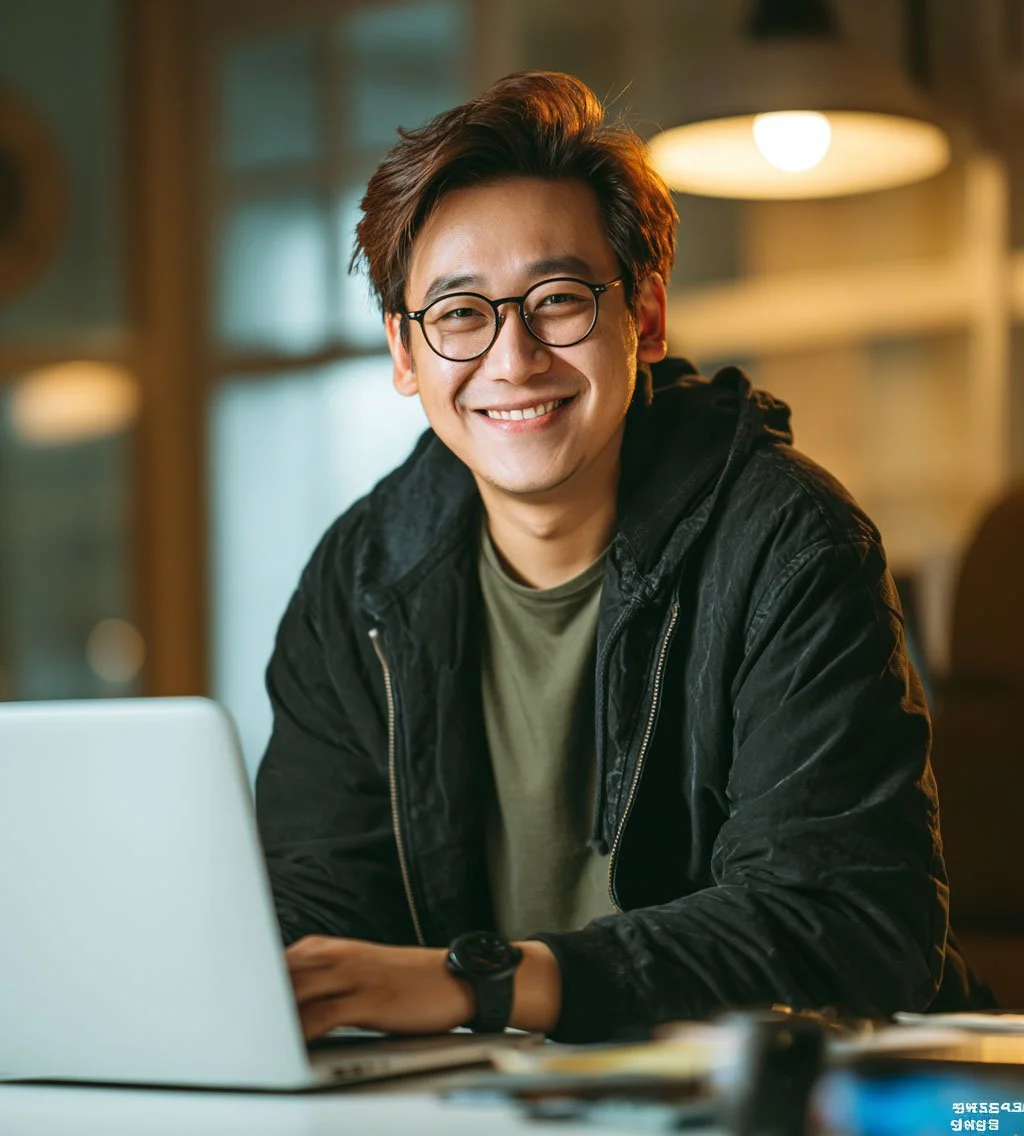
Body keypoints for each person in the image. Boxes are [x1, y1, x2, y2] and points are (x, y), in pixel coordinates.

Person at [255, 71, 990, 1045]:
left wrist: (484, 984)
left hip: (800, 1097)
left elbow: (847, 919)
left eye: (556, 300)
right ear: (405, 352)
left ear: (642, 316)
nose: (513, 360)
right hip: (489, 1101)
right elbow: (322, 893)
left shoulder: (786, 542)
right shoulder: (361, 577)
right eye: (461, 314)